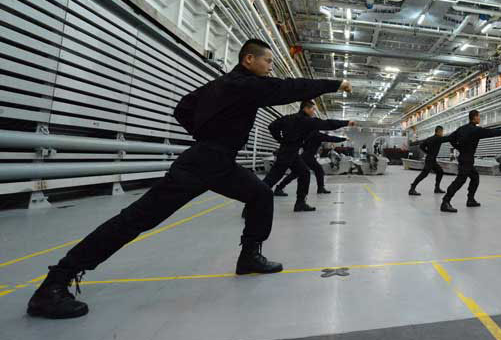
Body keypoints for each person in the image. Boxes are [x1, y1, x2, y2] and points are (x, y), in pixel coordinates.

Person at [26, 39, 350, 319]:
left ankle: (249, 256)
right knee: (136, 219)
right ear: (248, 59)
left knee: (261, 195)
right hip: (203, 162)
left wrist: (206, 133)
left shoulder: (224, 84)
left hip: (217, 160)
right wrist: (333, 84)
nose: (270, 66)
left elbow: (184, 108)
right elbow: (285, 89)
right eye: (267, 60)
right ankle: (55, 283)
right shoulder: (243, 83)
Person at [266, 103, 352, 211]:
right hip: (288, 154)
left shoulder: (288, 118)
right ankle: (250, 206)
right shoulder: (307, 121)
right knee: (271, 179)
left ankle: (300, 203)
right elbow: (327, 124)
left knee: (304, 173)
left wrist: (280, 139)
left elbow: (272, 126)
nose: (313, 112)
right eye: (313, 109)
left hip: (291, 153)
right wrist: (347, 122)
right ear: (306, 108)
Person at [440, 110, 501, 213]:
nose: (479, 118)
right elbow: (490, 132)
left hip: (464, 157)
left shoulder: (461, 129)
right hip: (467, 159)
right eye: (479, 116)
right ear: (475, 117)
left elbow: (450, 138)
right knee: (460, 180)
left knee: (475, 177)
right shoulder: (475, 130)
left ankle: (470, 200)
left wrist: (458, 147)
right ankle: (445, 202)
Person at [273, 132, 346, 196]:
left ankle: (279, 187)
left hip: (305, 156)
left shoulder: (307, 134)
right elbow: (331, 138)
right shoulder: (317, 134)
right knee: (317, 171)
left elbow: (301, 144)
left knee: (299, 173)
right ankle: (320, 188)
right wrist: (343, 139)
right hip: (309, 157)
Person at [409, 126, 449, 195]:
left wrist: (427, 152)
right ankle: (412, 188)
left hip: (431, 159)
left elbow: (421, 146)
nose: (442, 133)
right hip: (430, 160)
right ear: (439, 131)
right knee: (424, 174)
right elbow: (448, 138)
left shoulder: (429, 138)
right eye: (442, 131)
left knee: (440, 171)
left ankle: (437, 188)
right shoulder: (438, 138)